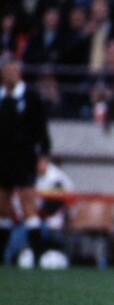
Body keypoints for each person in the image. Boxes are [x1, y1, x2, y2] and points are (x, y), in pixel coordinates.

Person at [0, 58, 52, 266]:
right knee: (2, 205)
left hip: (24, 158)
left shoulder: (30, 97)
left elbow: (42, 129)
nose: (10, 75)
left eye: (13, 70)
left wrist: (43, 155)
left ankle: (37, 254)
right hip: (3, 159)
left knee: (27, 203)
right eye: (6, 71)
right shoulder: (2, 98)